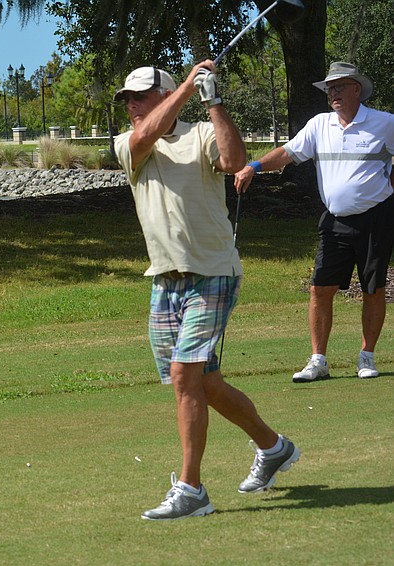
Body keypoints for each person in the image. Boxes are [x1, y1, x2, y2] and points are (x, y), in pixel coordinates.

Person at [113, 61, 300, 521]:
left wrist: (212, 100)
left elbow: (235, 163)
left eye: (140, 96)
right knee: (205, 383)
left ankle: (192, 489)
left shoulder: (198, 134)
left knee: (184, 376)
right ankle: (273, 447)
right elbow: (143, 138)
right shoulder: (128, 143)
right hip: (164, 279)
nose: (132, 105)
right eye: (128, 99)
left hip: (213, 272)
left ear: (162, 95)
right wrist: (186, 88)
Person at [234, 62, 394, 383]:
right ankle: (318, 360)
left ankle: (367, 357)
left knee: (372, 289)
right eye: (329, 88)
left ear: (356, 90)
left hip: (376, 219)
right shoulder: (319, 125)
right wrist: (253, 165)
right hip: (334, 221)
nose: (332, 93)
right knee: (320, 288)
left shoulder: (385, 123)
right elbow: (287, 153)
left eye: (338, 87)